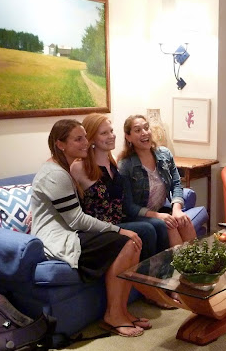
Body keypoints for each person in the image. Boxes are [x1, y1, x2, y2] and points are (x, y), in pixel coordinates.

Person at [31, 119, 148, 338]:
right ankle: (113, 315)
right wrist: (118, 230)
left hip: (72, 231)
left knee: (133, 242)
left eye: (85, 136)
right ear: (60, 144)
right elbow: (76, 220)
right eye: (78, 139)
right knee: (126, 242)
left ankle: (122, 311)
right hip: (58, 238)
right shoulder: (55, 173)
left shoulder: (65, 167)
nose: (86, 142)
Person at [70, 113, 178, 309]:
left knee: (161, 226)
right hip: (101, 226)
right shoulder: (79, 167)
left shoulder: (112, 163)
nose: (111, 136)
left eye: (111, 131)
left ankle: (163, 285)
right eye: (104, 133)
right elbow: (64, 196)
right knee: (148, 230)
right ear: (92, 137)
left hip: (119, 219)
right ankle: (151, 290)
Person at [118, 114, 197, 247]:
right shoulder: (126, 165)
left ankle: (199, 264)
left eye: (146, 128)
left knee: (184, 221)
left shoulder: (164, 154)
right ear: (128, 137)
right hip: (139, 215)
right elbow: (128, 206)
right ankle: (179, 266)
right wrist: (158, 216)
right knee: (169, 225)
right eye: (137, 130)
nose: (144, 133)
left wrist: (177, 209)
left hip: (161, 209)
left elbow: (177, 184)